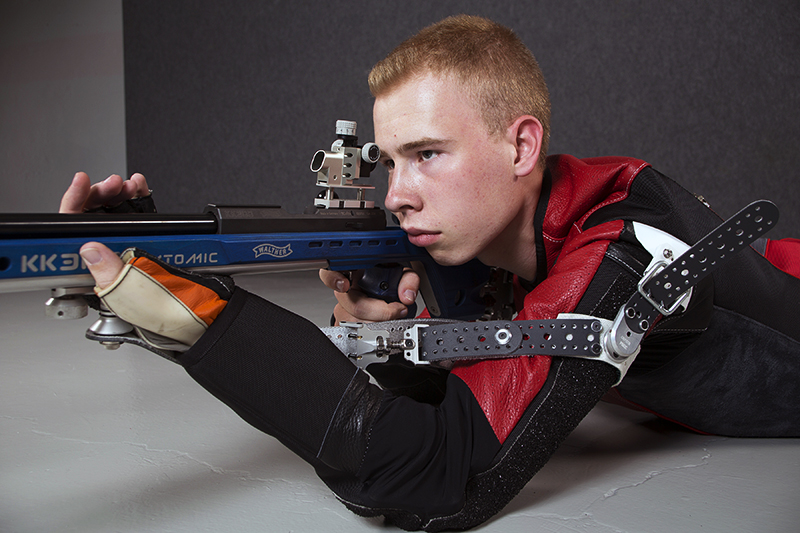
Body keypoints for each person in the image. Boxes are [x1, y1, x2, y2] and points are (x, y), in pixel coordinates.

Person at [60, 15, 800, 532]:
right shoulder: (481, 243)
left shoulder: (621, 245)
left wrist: (209, 321)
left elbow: (439, 472)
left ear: (520, 147)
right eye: (390, 161)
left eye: (429, 154)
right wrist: (157, 244)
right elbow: (467, 393)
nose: (397, 194)